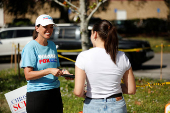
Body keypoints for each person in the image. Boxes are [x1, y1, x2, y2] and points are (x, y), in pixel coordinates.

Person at [74, 20, 136, 113]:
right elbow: (131, 90)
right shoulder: (122, 56)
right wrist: (114, 86)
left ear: (95, 34)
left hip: (92, 104)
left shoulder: (83, 56)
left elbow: (78, 92)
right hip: (117, 104)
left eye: (91, 34)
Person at [21, 14, 71, 113]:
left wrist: (64, 72)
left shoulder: (52, 45)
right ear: (37, 28)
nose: (49, 30)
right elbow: (28, 75)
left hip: (55, 92)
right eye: (45, 27)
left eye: (51, 27)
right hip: (37, 94)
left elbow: (55, 68)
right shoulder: (30, 47)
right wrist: (48, 71)